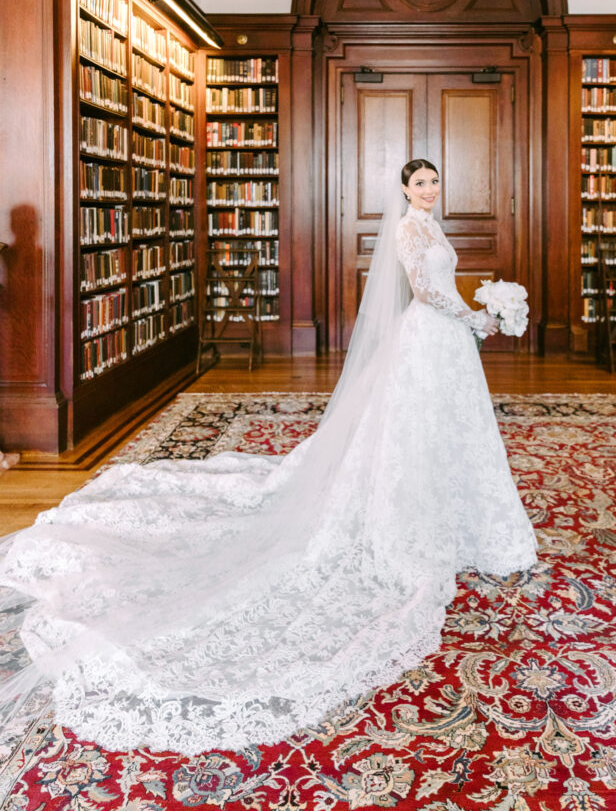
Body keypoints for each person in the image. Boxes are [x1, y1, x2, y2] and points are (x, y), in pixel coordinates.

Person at [0, 159, 536, 755]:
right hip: (433, 333)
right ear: (404, 191)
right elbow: (428, 290)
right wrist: (479, 316)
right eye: (421, 183)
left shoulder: (434, 225)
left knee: (447, 428)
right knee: (412, 430)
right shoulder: (410, 229)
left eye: (436, 181)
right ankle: (408, 513)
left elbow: (445, 286)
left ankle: (456, 510)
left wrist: (476, 315)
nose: (431, 190)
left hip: (447, 341)